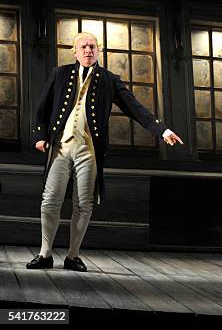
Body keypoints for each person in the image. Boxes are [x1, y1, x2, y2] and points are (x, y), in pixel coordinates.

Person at [26, 32, 183, 272]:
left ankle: (72, 255)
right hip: (60, 147)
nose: (88, 50)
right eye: (83, 47)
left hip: (89, 150)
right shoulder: (60, 73)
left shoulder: (109, 80)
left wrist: (162, 130)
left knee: (84, 204)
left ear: (98, 50)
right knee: (50, 200)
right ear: (75, 51)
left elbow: (135, 108)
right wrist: (40, 135)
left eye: (92, 46)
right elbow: (42, 108)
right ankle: (45, 254)